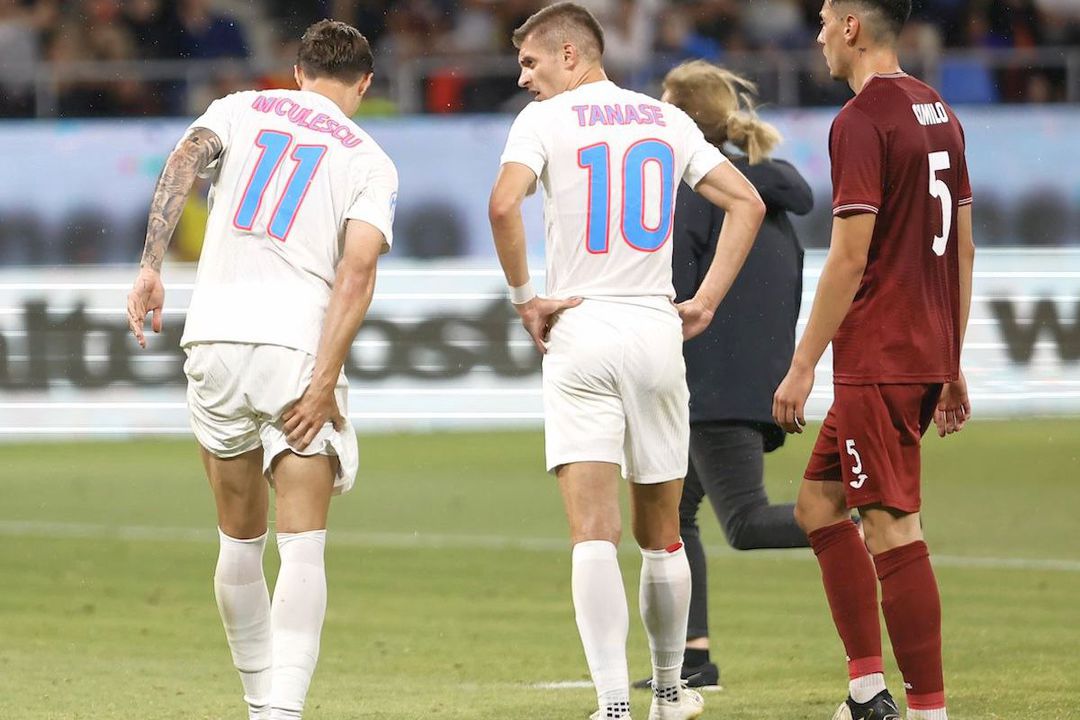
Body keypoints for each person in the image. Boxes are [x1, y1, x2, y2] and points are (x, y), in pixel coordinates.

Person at [488, 4, 765, 719]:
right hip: (653, 328)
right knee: (663, 534)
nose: (524, 79)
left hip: (580, 326)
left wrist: (525, 300)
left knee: (592, 533)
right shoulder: (664, 120)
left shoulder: (543, 122)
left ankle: (613, 704)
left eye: (530, 62)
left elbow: (503, 206)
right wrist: (705, 301)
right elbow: (748, 204)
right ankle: (669, 693)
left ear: (571, 54)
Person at [126, 20, 398, 720]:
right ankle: (281, 713)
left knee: (239, 538)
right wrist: (324, 381)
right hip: (295, 348)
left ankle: (256, 704)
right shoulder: (369, 159)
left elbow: (184, 159)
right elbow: (357, 273)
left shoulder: (241, 108)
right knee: (302, 544)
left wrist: (151, 267)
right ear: (364, 83)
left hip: (214, 337)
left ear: (298, 71)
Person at [772, 2, 974, 719]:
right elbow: (962, 247)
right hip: (919, 346)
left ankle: (928, 712)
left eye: (827, 17)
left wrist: (803, 365)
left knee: (891, 526)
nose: (820, 33)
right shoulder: (937, 110)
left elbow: (849, 257)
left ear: (853, 26)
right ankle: (865, 691)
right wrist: (950, 356)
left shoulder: (860, 120)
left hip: (878, 354)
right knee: (818, 507)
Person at [632, 60, 814, 691]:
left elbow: (673, 287)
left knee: (745, 522)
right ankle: (693, 657)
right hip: (754, 377)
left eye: (664, 105)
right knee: (674, 514)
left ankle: (864, 522)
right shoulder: (771, 195)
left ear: (684, 119)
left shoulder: (696, 194)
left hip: (711, 382)